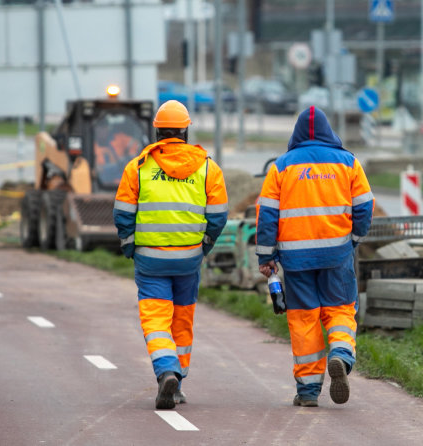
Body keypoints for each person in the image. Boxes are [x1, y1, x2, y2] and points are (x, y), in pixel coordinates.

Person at [113, 100, 228, 410]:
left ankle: (167, 371)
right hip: (189, 260)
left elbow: (123, 213)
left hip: (150, 262)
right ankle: (178, 385)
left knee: (156, 320)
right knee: (182, 319)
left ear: (157, 131)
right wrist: (204, 246)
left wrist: (129, 246)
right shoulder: (208, 168)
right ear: (185, 130)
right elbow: (218, 216)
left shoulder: (138, 167)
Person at [256, 105, 373, 407]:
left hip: (296, 261)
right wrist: (353, 240)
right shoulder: (348, 163)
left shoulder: (281, 167)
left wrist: (266, 257)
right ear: (329, 132)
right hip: (337, 255)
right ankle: (340, 355)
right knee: (341, 310)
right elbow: (364, 207)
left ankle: (308, 391)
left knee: (304, 320)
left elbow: (267, 216)